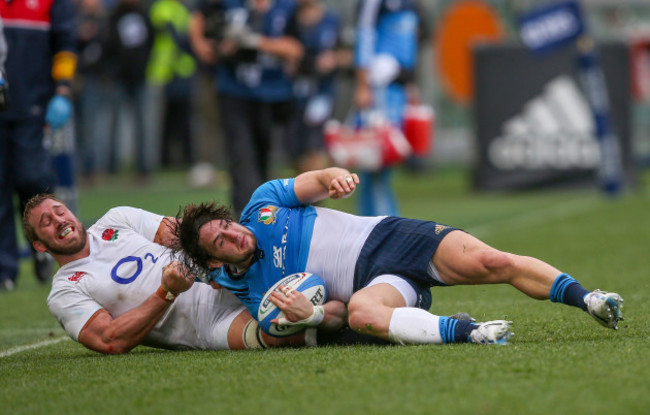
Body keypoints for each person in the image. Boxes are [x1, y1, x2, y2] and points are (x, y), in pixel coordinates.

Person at [176, 167, 625, 346]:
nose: (235, 235)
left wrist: (337, 179)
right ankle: (473, 333)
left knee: (493, 263)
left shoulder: (263, 205)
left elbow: (316, 179)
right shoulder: (257, 296)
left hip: (387, 237)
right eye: (222, 241)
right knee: (362, 316)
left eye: (228, 225)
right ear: (215, 262)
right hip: (375, 287)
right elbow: (335, 316)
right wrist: (309, 316)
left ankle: (589, 300)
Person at [21, 193, 357, 355]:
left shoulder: (116, 220)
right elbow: (110, 340)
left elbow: (187, 234)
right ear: (39, 245)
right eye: (46, 223)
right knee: (277, 331)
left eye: (59, 211)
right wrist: (166, 292)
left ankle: (362, 289)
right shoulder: (65, 290)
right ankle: (356, 328)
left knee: (300, 266)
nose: (59, 221)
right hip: (202, 324)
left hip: (223, 278)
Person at [189, 0, 303, 217]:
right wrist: (206, 45)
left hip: (272, 92)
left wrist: (256, 42)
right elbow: (199, 15)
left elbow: (295, 49)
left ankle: (266, 211)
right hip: (234, 89)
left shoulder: (285, 7)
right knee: (240, 153)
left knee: (264, 153)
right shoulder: (230, 4)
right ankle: (247, 214)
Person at [0, 0, 77, 290]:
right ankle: (5, 270)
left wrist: (63, 89)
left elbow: (65, 43)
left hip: (33, 104)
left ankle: (44, 248)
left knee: (32, 179)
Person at [353, 0, 421, 216]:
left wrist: (409, 84)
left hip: (397, 86)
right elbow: (364, 33)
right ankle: (383, 220)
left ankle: (375, 220)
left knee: (386, 159)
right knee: (377, 157)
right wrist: (363, 84)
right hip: (380, 87)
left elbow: (409, 43)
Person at [285, 0, 341, 174]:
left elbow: (347, 53)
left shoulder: (331, 20)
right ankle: (302, 192)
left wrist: (333, 59)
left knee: (314, 144)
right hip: (293, 92)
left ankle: (316, 192)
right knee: (294, 146)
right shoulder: (288, 17)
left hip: (320, 91)